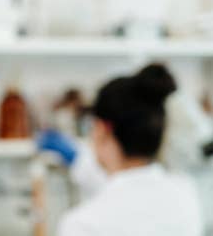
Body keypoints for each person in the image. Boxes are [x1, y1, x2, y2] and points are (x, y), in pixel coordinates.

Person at [39, 64, 204, 236]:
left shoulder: (81, 225)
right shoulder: (186, 197)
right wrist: (79, 160)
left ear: (102, 130)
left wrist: (79, 157)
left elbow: (125, 194)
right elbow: (133, 191)